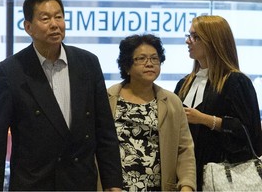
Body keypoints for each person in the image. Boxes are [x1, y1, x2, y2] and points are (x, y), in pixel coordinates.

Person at [0, 0, 122, 191]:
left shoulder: (88, 63)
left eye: (59, 17)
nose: (55, 24)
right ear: (28, 27)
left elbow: (104, 129)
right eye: (45, 19)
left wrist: (113, 183)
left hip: (80, 182)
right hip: (35, 182)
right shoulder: (11, 71)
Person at [174, 15, 262, 191]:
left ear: (213, 42)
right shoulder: (184, 84)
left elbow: (250, 134)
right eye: (189, 35)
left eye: (195, 37)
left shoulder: (236, 82)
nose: (188, 41)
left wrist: (206, 119)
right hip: (186, 177)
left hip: (223, 177)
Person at [107, 34, 196, 191]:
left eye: (155, 59)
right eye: (141, 59)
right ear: (127, 66)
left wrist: (187, 185)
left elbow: (185, 150)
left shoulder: (172, 102)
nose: (149, 64)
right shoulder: (108, 99)